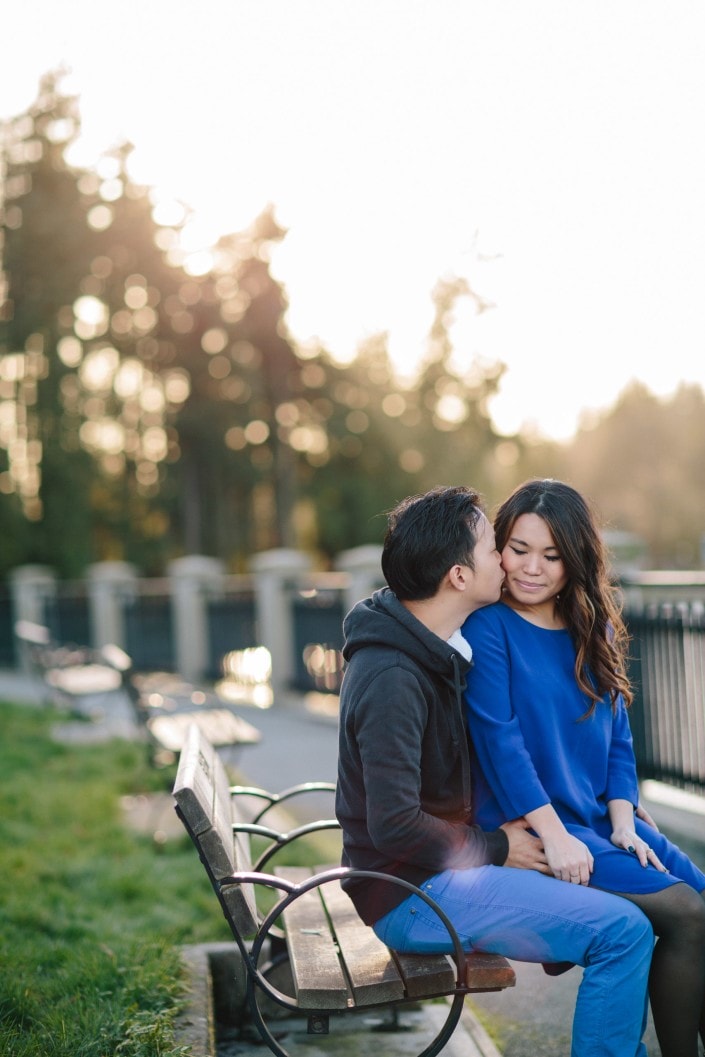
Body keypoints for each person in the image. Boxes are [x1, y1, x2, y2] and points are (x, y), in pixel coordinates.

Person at [336, 485, 654, 1057]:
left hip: (429, 877)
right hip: (410, 894)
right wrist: (497, 847)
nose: (506, 563)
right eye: (493, 547)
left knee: (632, 912)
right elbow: (392, 826)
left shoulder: (428, 647)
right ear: (460, 575)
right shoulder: (394, 678)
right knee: (622, 932)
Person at [461, 478, 705, 1057]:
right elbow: (502, 746)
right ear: (498, 546)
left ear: (575, 561)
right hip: (542, 828)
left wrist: (624, 819)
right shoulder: (488, 629)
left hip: (602, 821)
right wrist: (555, 836)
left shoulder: (589, 628)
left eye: (551, 556)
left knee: (702, 901)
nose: (531, 569)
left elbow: (619, 737)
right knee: (686, 916)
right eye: (518, 549)